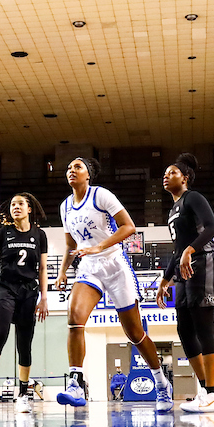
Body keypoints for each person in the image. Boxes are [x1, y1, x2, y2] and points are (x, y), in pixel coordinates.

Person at [56, 157, 173, 412]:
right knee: (75, 317)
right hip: (88, 267)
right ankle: (76, 383)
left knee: (134, 334)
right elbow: (69, 245)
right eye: (68, 168)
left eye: (77, 167)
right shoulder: (65, 207)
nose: (71, 171)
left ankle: (161, 383)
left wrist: (100, 246)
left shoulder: (101, 196)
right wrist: (62, 271)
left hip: (115, 264)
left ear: (89, 174)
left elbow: (128, 227)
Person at [156, 154, 214, 414]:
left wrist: (190, 250)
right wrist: (164, 280)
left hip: (204, 262)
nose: (166, 176)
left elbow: (212, 228)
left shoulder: (193, 198)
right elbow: (176, 250)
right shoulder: (172, 210)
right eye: (165, 173)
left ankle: (213, 395)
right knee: (184, 330)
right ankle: (205, 391)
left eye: (172, 172)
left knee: (204, 327)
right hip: (184, 268)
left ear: (184, 178)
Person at [0, 193, 49, 414]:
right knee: (1, 334)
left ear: (29, 209)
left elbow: (43, 268)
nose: (16, 207)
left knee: (24, 343)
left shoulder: (40, 235)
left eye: (20, 204)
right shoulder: (2, 234)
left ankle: (23, 394)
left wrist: (44, 297)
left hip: (29, 291)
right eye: (13, 204)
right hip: (5, 287)